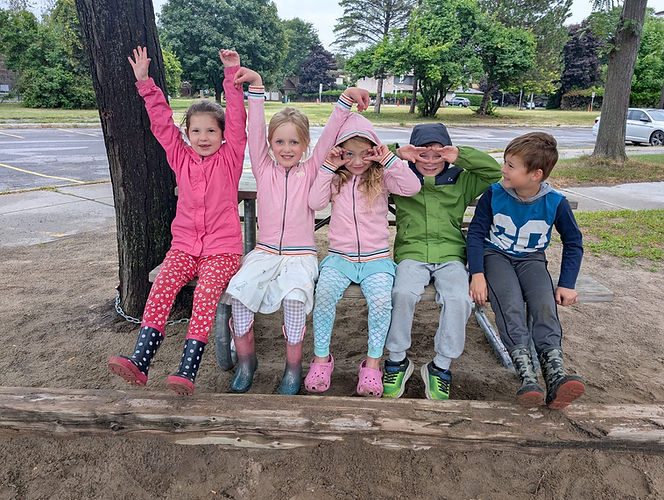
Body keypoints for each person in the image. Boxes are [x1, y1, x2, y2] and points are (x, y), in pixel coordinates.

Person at [108, 46, 247, 396]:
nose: (203, 138)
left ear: (223, 135)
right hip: (184, 246)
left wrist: (232, 74)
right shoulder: (180, 156)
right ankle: (141, 362)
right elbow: (162, 123)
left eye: (211, 132)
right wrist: (145, 83)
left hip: (221, 251)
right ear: (187, 134)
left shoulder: (230, 158)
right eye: (196, 131)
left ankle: (187, 371)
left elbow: (238, 119)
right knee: (162, 288)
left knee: (203, 298)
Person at [223, 67, 369, 395]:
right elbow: (255, 132)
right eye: (280, 142)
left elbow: (331, 134)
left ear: (304, 145)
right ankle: (247, 362)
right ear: (271, 144)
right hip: (263, 254)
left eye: (294, 142)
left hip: (300, 257)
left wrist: (345, 100)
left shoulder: (312, 170)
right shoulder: (263, 168)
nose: (286, 148)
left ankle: (292, 369)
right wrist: (257, 86)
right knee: (240, 294)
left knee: (293, 299)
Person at [382, 123, 502, 399]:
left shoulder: (461, 179)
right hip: (411, 253)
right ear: (413, 154)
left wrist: (459, 155)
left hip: (451, 255)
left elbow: (493, 171)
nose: (431, 161)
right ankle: (397, 359)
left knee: (460, 299)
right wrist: (397, 153)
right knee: (401, 293)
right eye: (423, 154)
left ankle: (440, 366)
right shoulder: (399, 176)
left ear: (448, 155)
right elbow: (367, 160)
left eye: (439, 155)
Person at [304, 114, 421, 397]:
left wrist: (388, 159)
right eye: (349, 154)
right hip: (339, 258)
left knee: (382, 302)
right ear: (339, 152)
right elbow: (314, 202)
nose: (357, 162)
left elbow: (412, 187)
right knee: (325, 296)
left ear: (374, 150)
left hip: (376, 259)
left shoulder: (382, 176)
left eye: (364, 154)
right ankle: (321, 360)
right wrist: (329, 168)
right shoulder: (336, 179)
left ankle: (372, 365)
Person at [466, 132, 585, 409]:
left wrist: (567, 283)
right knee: (510, 304)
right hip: (495, 256)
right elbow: (475, 234)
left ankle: (555, 376)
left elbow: (573, 242)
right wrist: (478, 274)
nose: (503, 170)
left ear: (535, 174)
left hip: (531, 259)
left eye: (510, 165)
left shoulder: (555, 202)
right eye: (505, 162)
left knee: (544, 304)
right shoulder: (495, 194)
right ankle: (527, 377)